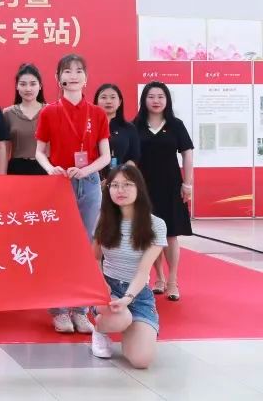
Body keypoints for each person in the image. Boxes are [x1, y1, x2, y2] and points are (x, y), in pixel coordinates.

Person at [35, 54, 111, 334]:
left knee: (86, 246)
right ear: (58, 79)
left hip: (89, 183)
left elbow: (106, 156)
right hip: (59, 184)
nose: (74, 75)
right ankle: (59, 310)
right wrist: (51, 168)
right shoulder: (49, 112)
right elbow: (39, 152)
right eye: (67, 71)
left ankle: (80, 309)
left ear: (86, 78)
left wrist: (86, 170)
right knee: (59, 245)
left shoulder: (97, 113)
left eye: (79, 71)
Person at [89, 164, 165, 368]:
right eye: (114, 185)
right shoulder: (103, 219)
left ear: (139, 187)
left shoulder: (156, 225)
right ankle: (100, 330)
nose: (120, 190)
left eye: (127, 185)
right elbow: (94, 259)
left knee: (141, 361)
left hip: (138, 294)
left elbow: (143, 271)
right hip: (108, 289)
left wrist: (128, 298)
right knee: (119, 318)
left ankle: (131, 326)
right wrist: (101, 284)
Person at [134, 82, 193, 302]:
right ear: (144, 100)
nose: (156, 101)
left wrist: (187, 184)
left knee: (171, 234)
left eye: (160, 96)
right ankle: (158, 278)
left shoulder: (176, 125)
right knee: (151, 233)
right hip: (144, 188)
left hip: (171, 186)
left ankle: (172, 280)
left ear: (167, 100)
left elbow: (187, 153)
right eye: (151, 96)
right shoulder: (136, 125)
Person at [3, 63, 47, 176]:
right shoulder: (8, 113)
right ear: (17, 86)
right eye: (23, 84)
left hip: (45, 168)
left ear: (40, 86)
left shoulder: (50, 111)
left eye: (33, 84)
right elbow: (4, 149)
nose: (28, 89)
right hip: (17, 169)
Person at [95, 83, 141, 173]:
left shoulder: (129, 128)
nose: (108, 101)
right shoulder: (88, 126)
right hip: (92, 177)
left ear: (119, 102)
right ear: (96, 101)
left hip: (120, 178)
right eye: (103, 97)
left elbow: (134, 158)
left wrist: (119, 176)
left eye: (113, 97)